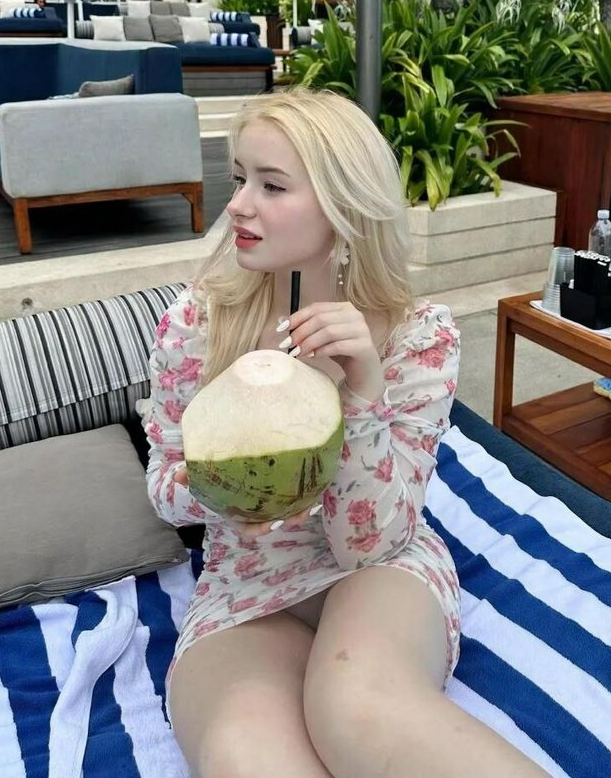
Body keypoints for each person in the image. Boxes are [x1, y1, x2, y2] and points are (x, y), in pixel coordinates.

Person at [144, 88, 544, 778]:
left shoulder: (418, 337)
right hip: (245, 579)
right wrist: (231, 474)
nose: (237, 206)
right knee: (251, 761)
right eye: (239, 179)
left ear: (345, 206)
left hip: (377, 571)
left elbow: (372, 541)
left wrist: (361, 393)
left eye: (272, 186)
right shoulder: (195, 323)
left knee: (359, 711)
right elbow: (163, 489)